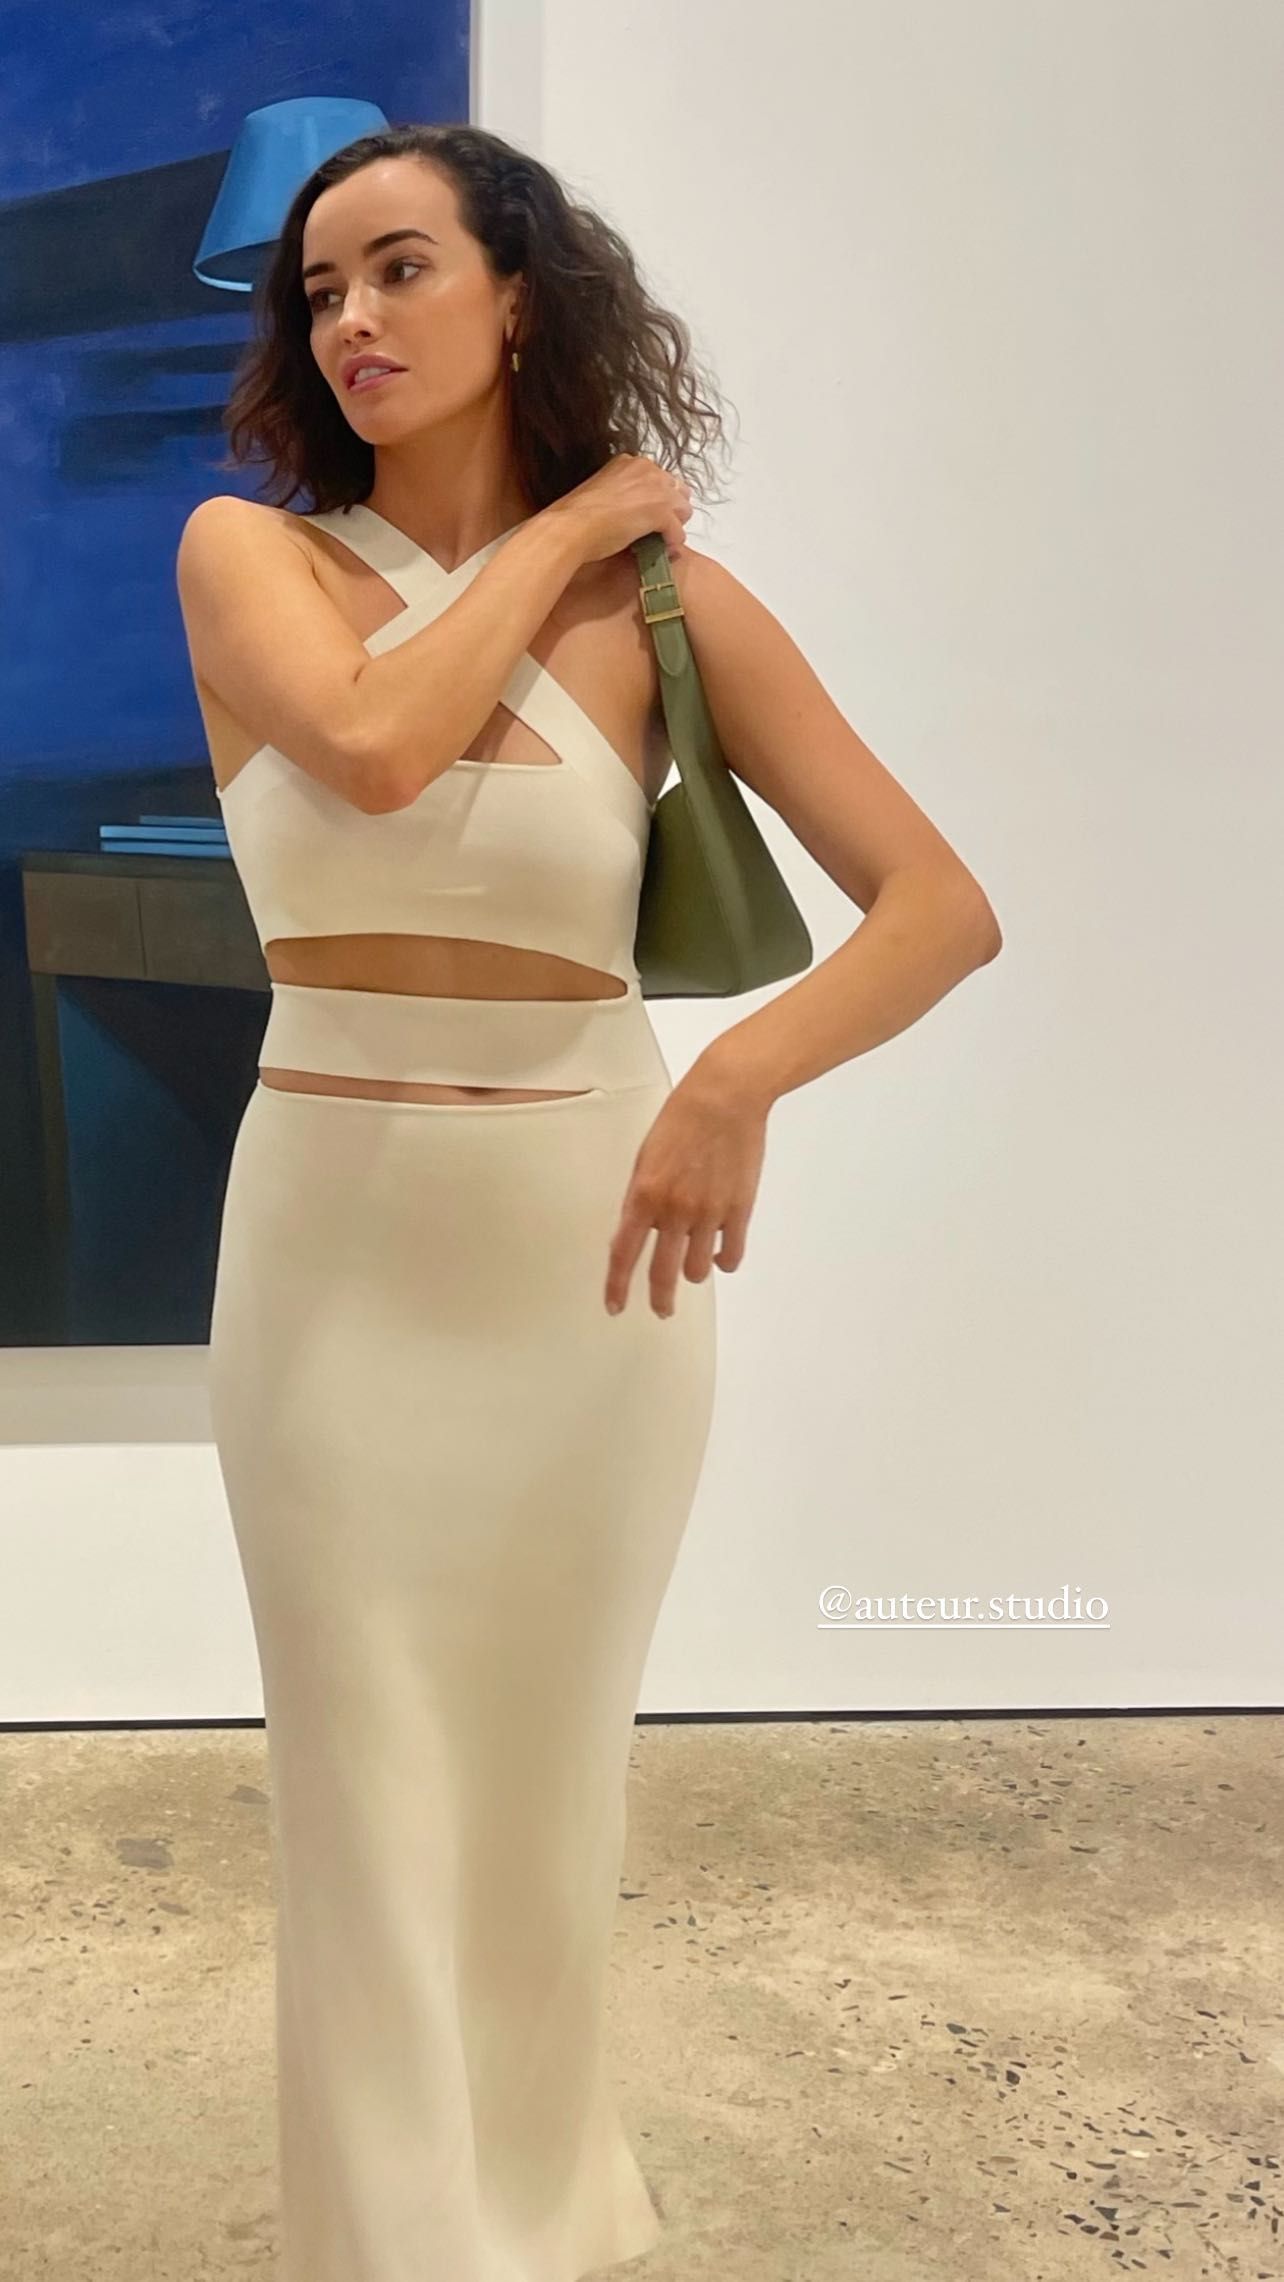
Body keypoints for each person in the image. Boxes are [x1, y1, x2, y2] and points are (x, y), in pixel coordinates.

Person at [176, 120, 1001, 2282]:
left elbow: (940, 906)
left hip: (591, 1260)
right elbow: (374, 749)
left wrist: (737, 1072)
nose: (350, 319)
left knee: (549, 1781)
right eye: (320, 289)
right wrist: (570, 529)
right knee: (362, 1780)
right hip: (330, 1253)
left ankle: (538, 2210)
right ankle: (397, 2244)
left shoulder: (675, 613)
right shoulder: (249, 559)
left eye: (401, 268)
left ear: (520, 295)